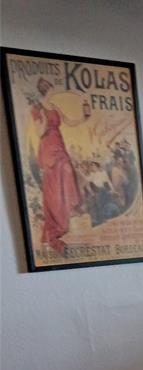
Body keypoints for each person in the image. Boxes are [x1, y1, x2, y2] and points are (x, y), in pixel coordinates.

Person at [29, 78, 84, 255]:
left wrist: (84, 117)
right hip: (48, 148)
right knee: (53, 188)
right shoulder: (37, 109)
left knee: (68, 171)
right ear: (46, 90)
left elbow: (68, 121)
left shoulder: (54, 106)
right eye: (51, 89)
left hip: (59, 145)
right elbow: (40, 131)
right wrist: (44, 117)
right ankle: (55, 229)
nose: (53, 92)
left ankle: (70, 208)